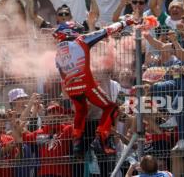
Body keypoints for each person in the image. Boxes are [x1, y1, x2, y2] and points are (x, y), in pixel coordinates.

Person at [53, 19, 135, 155]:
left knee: (81, 111)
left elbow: (62, 75)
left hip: (71, 88)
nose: (81, 32)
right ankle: (100, 138)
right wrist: (125, 22)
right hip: (86, 84)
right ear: (71, 31)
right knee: (111, 108)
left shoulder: (58, 52)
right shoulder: (82, 41)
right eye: (78, 30)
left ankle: (77, 144)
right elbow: (107, 30)